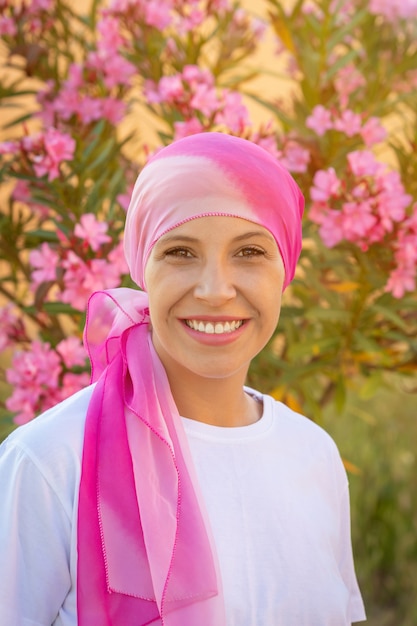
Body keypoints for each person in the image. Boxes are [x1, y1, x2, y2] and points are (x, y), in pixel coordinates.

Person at [0, 132, 366, 626]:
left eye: (250, 252)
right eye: (180, 252)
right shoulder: (49, 461)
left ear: (286, 269)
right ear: (141, 268)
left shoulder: (314, 456)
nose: (215, 291)